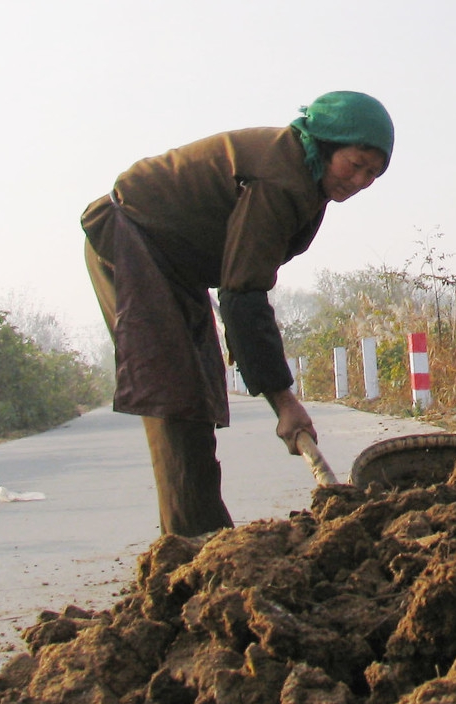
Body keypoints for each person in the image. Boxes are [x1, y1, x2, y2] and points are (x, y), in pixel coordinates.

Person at [81, 91, 393, 537]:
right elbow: (243, 295)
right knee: (176, 395)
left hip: (177, 264)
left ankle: (206, 533)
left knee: (200, 391)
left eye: (373, 173)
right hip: (131, 240)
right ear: (325, 144)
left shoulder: (307, 178)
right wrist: (284, 402)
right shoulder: (280, 179)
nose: (361, 180)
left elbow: (243, 282)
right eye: (356, 163)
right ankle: (192, 545)